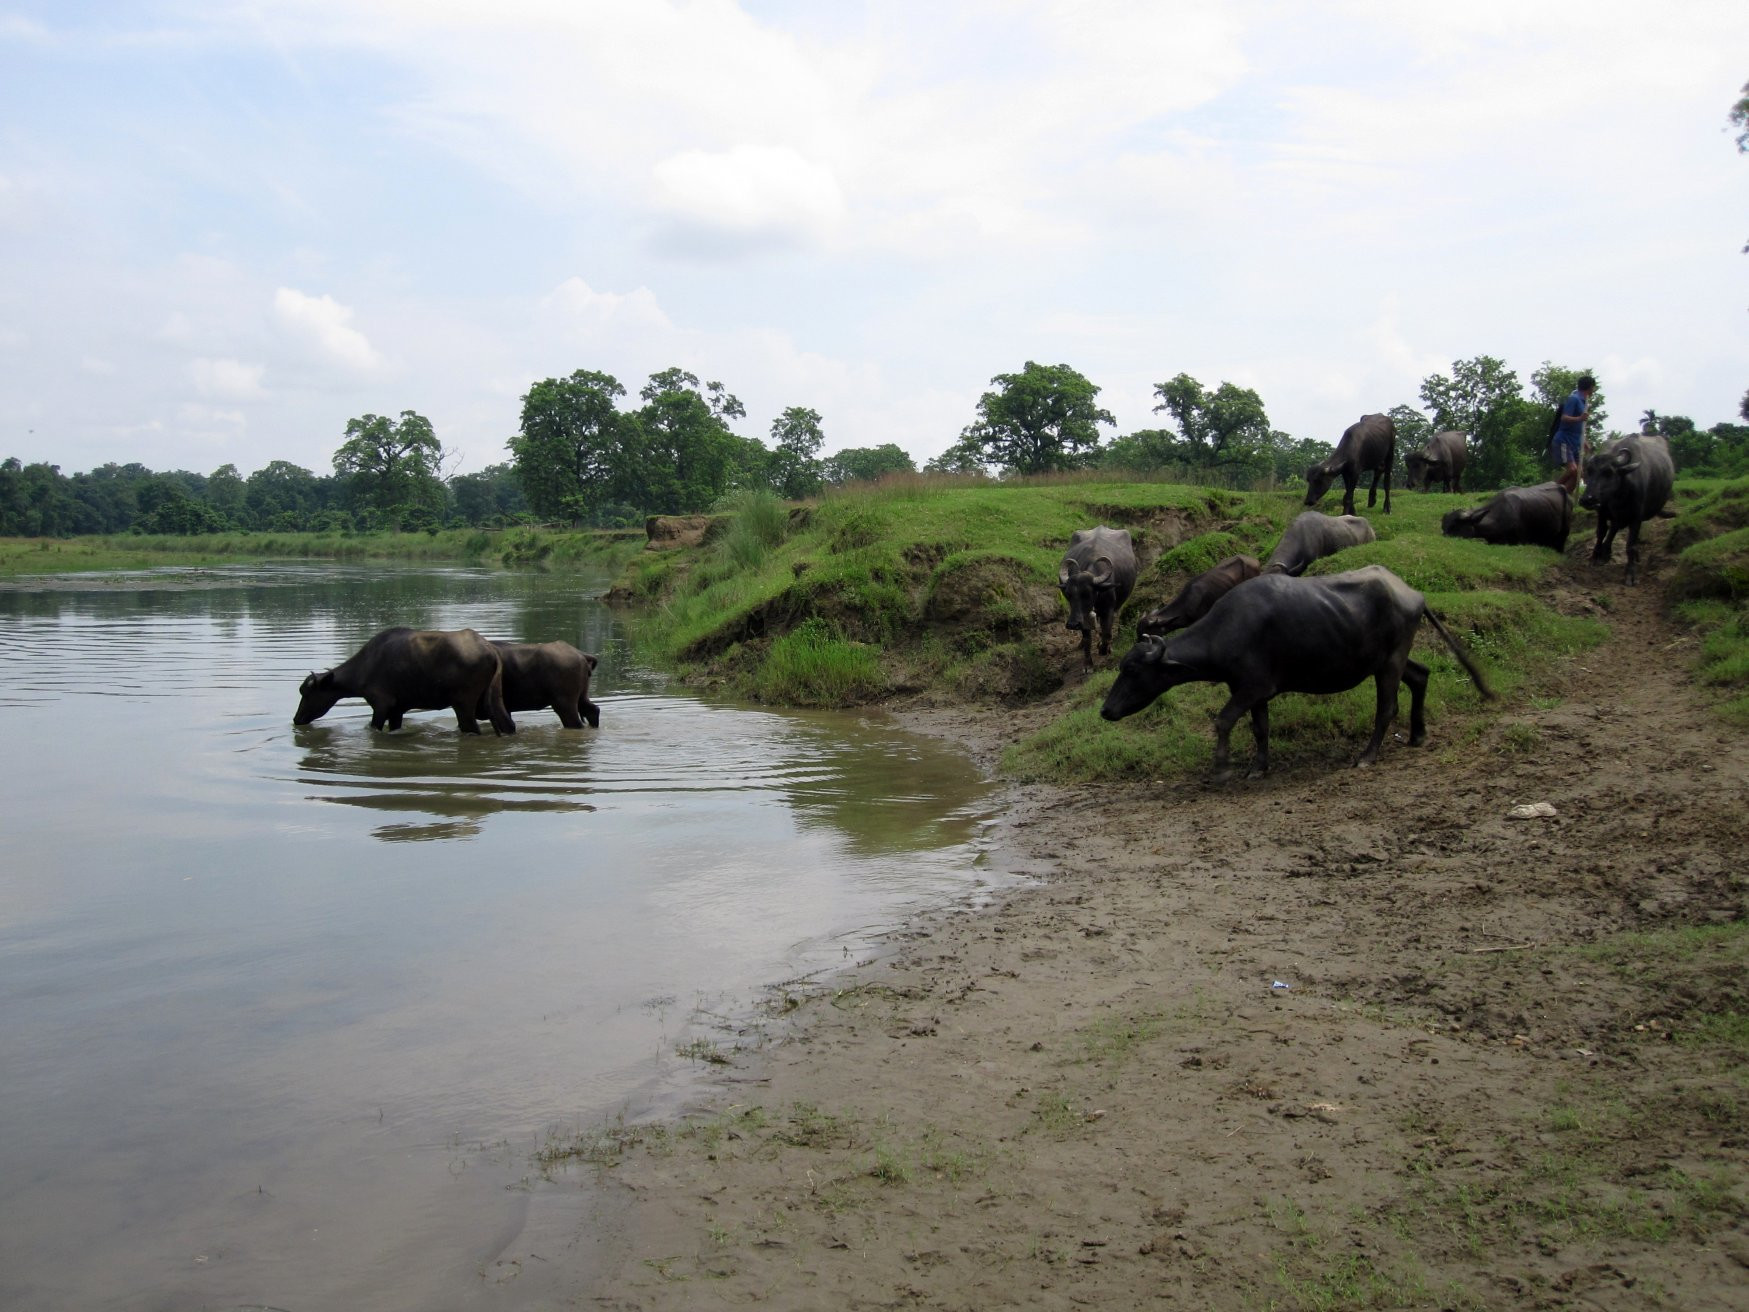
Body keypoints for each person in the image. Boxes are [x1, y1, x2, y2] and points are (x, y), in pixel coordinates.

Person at [1551, 374, 1594, 495]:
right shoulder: (1573, 399)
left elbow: (1580, 427)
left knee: (1578, 474)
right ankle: (1551, 492)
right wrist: (1580, 418)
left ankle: (1562, 497)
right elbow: (1564, 418)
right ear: (1590, 387)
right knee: (1573, 470)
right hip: (1565, 440)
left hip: (1575, 442)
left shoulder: (1584, 402)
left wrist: (1584, 442)